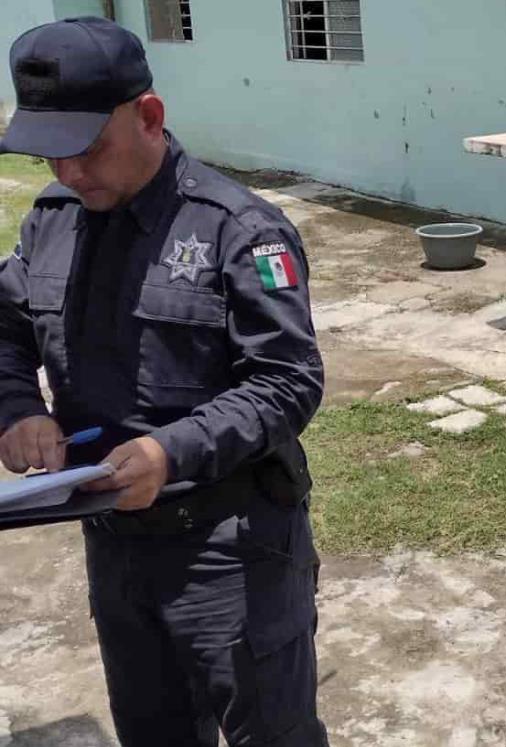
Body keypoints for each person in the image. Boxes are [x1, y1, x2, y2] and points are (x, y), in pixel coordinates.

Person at [0, 17, 328, 746]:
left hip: (228, 549)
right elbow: (6, 328)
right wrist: (18, 406)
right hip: (114, 547)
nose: (69, 175)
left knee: (272, 733)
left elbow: (287, 379)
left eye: (86, 150)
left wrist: (170, 452)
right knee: (152, 729)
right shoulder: (52, 221)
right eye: (48, 158)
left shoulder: (238, 229)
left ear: (149, 116)